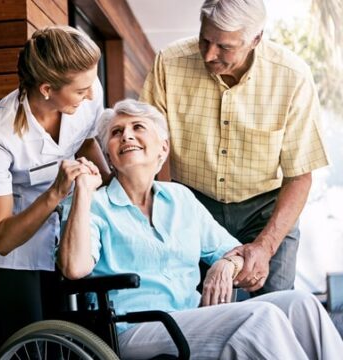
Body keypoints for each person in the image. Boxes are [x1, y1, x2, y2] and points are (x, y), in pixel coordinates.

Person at [58, 99, 343, 359]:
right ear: (108, 155)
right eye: (116, 132)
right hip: (134, 327)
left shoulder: (180, 199)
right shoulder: (93, 204)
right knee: (260, 317)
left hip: (191, 316)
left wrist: (226, 263)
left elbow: (235, 252)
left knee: (301, 305)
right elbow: (74, 267)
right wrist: (82, 191)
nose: (127, 136)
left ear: (163, 148)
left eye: (138, 127)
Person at [140, 0, 329, 296]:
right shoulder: (169, 62)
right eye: (205, 40)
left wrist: (265, 247)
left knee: (276, 309)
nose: (210, 54)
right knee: (198, 308)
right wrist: (165, 217)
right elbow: (150, 150)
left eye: (224, 47)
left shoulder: (292, 76)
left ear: (256, 39)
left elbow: (300, 176)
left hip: (266, 209)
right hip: (193, 203)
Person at [0, 25, 111, 339]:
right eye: (80, 91)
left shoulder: (89, 91)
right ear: (48, 89)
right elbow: (2, 238)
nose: (92, 95)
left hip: (66, 225)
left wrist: (110, 184)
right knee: (29, 336)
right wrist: (56, 192)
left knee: (73, 332)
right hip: (15, 243)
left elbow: (87, 140)